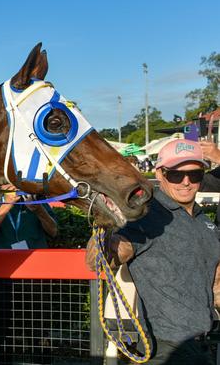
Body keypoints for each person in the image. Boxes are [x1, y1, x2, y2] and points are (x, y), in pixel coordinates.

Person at [86, 139, 220, 364]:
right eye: (176, 175)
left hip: (201, 344)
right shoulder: (147, 215)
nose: (186, 182)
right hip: (163, 348)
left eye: (194, 175)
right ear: (160, 174)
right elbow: (100, 261)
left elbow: (215, 285)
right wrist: (104, 220)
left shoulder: (206, 224)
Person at [0, 184, 58, 249]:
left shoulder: (33, 196)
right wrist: (6, 205)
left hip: (34, 258)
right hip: (1, 261)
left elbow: (53, 231)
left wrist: (39, 210)